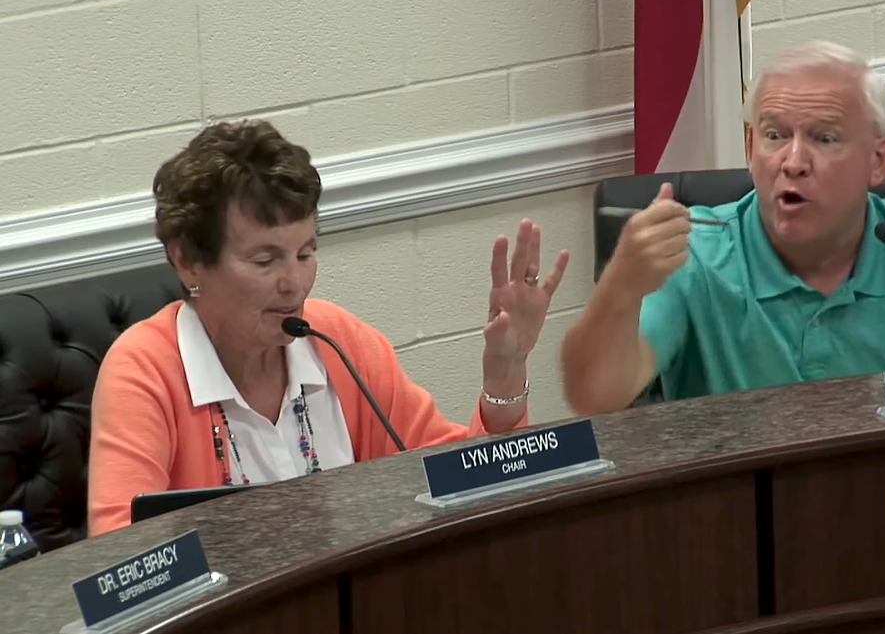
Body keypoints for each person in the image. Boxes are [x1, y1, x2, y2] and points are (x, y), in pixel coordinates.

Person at [88, 120, 570, 536]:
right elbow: (123, 561)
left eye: (305, 253)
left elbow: (458, 486)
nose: (294, 283)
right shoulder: (145, 371)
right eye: (264, 260)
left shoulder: (339, 343)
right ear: (188, 261)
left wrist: (506, 373)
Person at [561, 41, 885, 415]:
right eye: (774, 136)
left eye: (824, 138)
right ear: (750, 148)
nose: (793, 162)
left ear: (878, 160)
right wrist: (621, 285)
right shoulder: (694, 255)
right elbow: (593, 398)